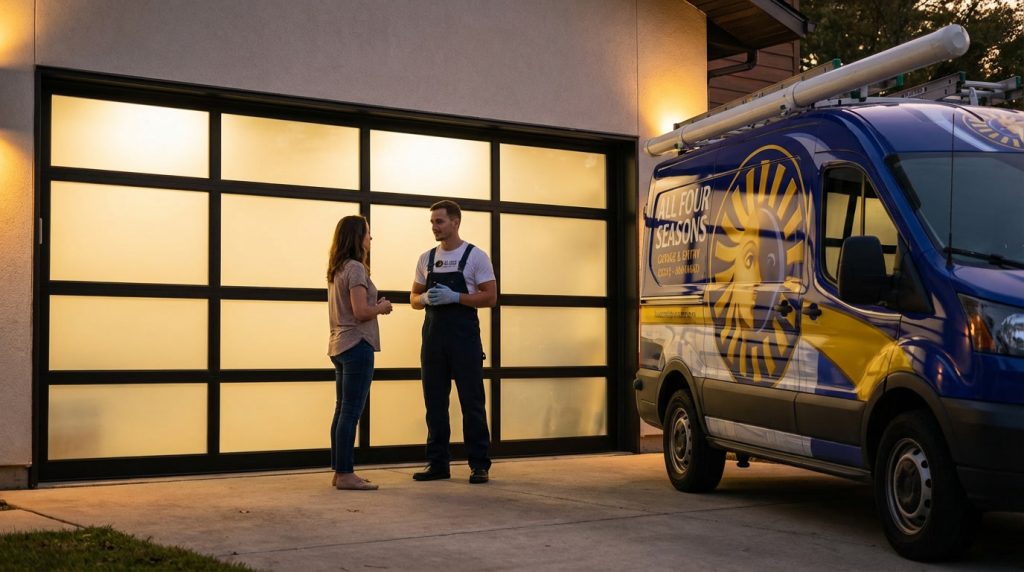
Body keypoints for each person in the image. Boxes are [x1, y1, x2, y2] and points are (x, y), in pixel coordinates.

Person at [410, 200, 497, 484]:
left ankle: (479, 464)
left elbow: (490, 297)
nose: (434, 227)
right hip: (433, 340)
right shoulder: (426, 258)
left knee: (471, 402)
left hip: (464, 341)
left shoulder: (476, 257)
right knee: (434, 403)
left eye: (439, 221)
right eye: (432, 222)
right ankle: (437, 463)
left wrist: (456, 297)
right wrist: (424, 299)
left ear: (455, 222)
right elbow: (412, 298)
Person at [327, 215, 392, 490]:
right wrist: (382, 306)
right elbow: (361, 311)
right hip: (357, 345)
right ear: (358, 237)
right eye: (367, 233)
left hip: (339, 344)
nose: (371, 238)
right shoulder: (355, 269)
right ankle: (345, 474)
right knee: (351, 412)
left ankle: (339, 471)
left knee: (342, 410)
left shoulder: (337, 268)